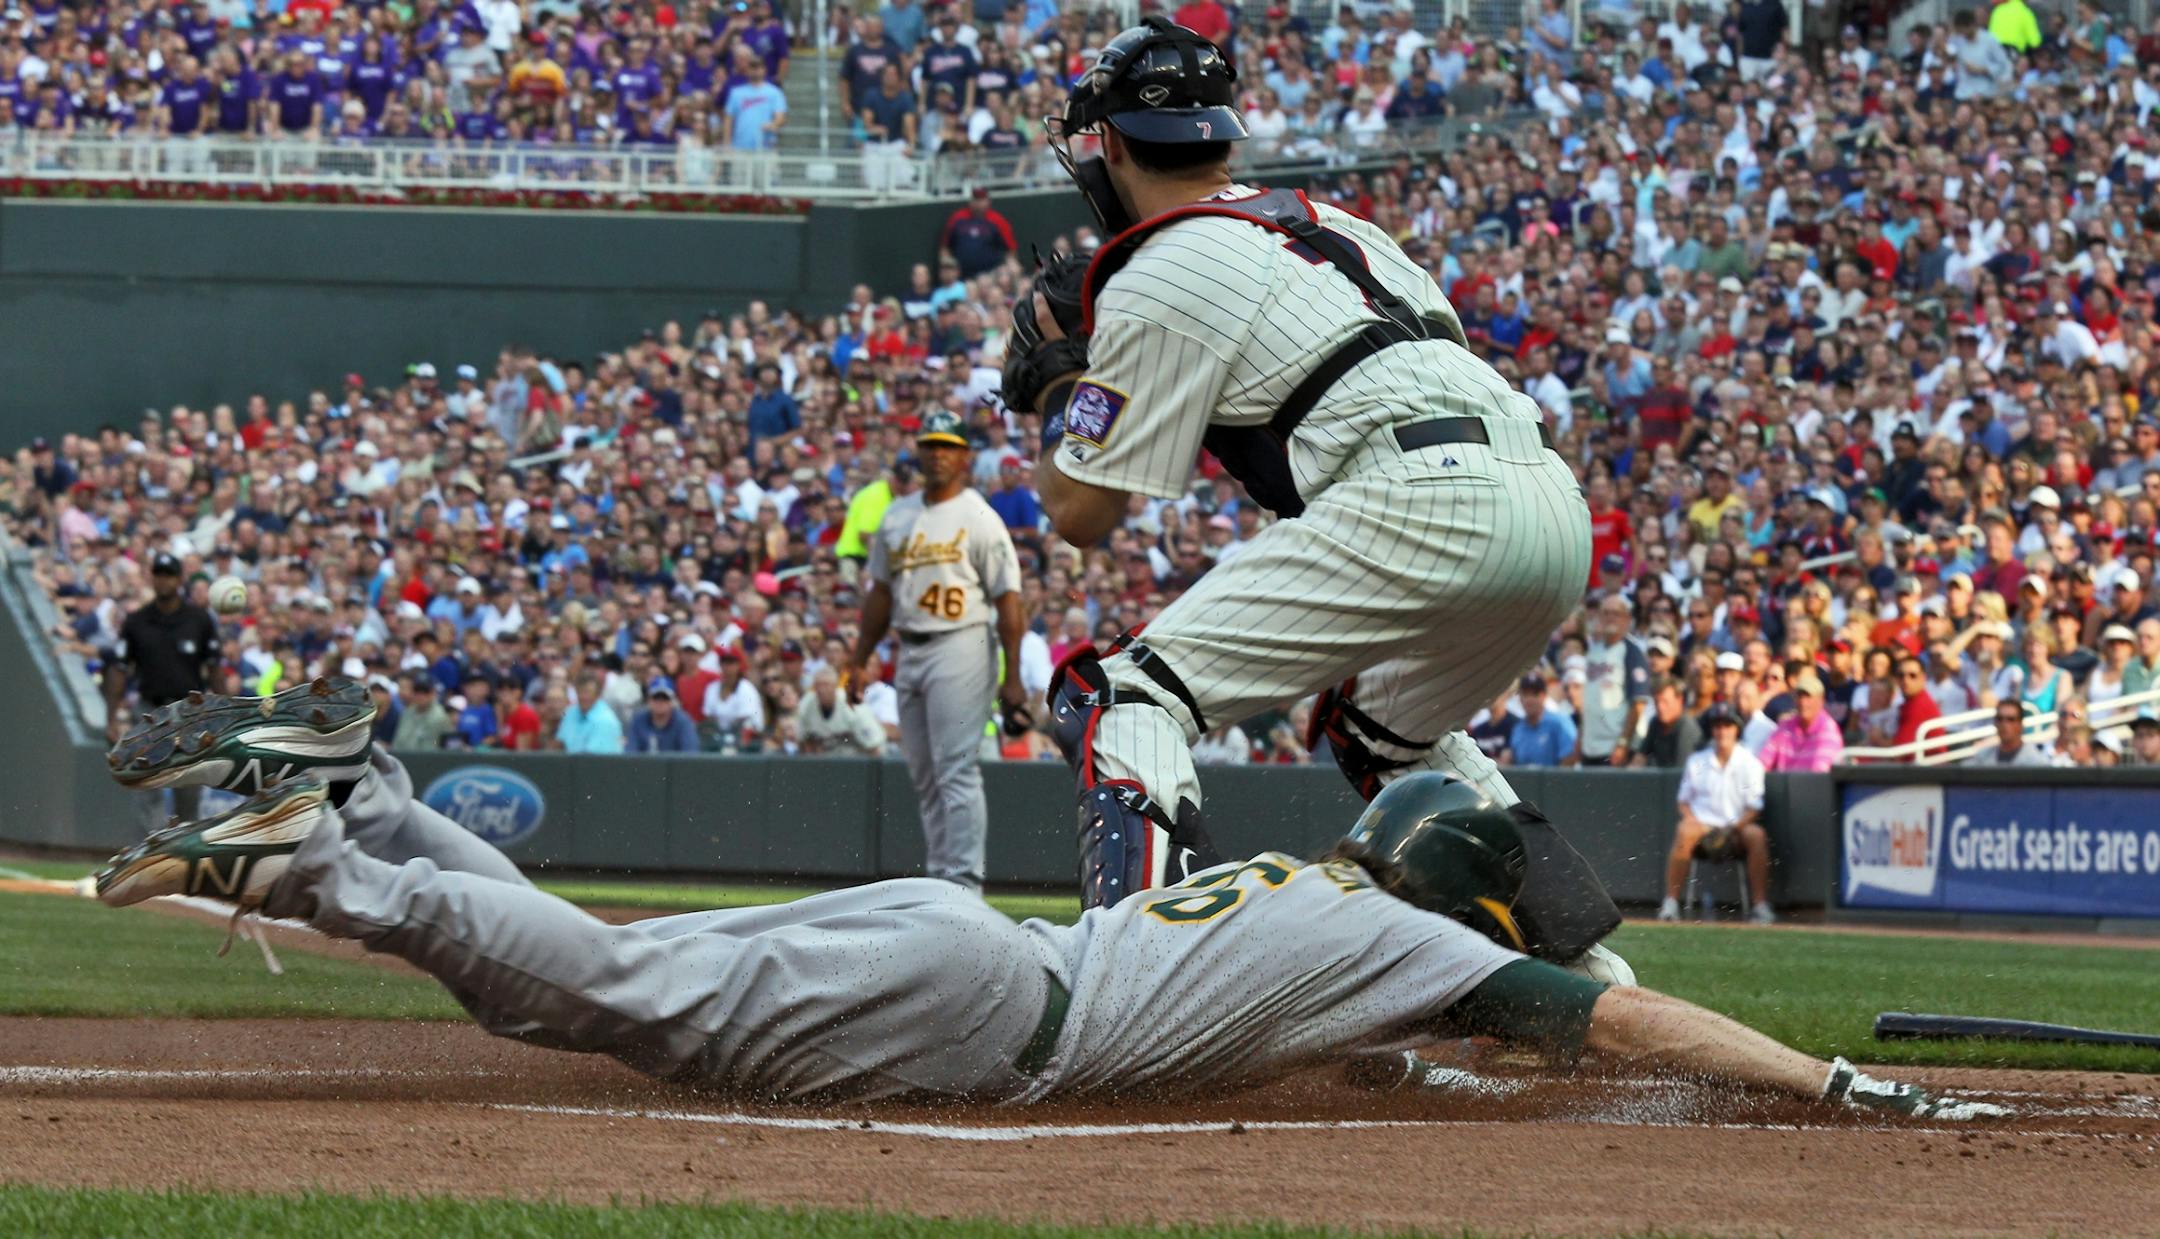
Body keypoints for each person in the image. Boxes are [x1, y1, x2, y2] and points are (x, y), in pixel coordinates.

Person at [91, 690, 2000, 1121]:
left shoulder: (1326, 911)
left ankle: (377, 803)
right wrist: (1826, 1081)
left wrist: (1482, 1078)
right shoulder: (1422, 946)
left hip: (966, 942)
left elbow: (1415, 1076)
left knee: (591, 968)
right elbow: (1632, 1021)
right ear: (1468, 894)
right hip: (973, 1016)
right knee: (593, 990)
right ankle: (305, 851)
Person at [1001, 17, 1627, 984]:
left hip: (1418, 497)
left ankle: (1137, 984)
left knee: (1120, 695)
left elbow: (1083, 514)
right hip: (1547, 498)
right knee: (1384, 732)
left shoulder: (1161, 264)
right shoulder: (1341, 226)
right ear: (1225, 135)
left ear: (1111, 145)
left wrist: (1057, 382)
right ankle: (1590, 983)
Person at [847, 411, 1026, 889]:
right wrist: (859, 658)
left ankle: (964, 883)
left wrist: (1013, 677)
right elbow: (880, 594)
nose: (938, 454)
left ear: (965, 457)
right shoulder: (898, 514)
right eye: (930, 445)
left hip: (962, 642)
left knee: (955, 769)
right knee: (925, 776)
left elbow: (1008, 597)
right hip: (910, 646)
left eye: (948, 446)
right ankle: (942, 879)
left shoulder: (979, 516)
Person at [105, 552, 228, 831]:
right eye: (158, 575)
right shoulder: (136, 621)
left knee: (189, 788)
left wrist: (225, 712)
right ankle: (152, 851)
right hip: (150, 710)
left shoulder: (199, 620)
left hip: (190, 712)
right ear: (152, 578)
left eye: (168, 576)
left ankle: (183, 852)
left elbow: (215, 670)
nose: (163, 582)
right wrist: (111, 717)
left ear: (178, 579)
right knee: (147, 783)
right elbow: (119, 669)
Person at [1659, 704, 1773, 925]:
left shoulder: (1750, 762)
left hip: (1736, 828)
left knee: (1756, 835)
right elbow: (1683, 802)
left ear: (1736, 729)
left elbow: (1754, 808)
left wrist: (1733, 829)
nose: (1722, 731)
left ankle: (1760, 905)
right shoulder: (1697, 761)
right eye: (1718, 726)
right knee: (1684, 830)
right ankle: (1671, 904)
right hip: (1703, 828)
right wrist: (1693, 821)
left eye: (1727, 726)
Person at [1757, 670, 1845, 773]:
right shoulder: (1785, 726)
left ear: (1821, 700)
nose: (1803, 702)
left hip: (1811, 787)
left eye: (1808, 696)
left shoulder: (1828, 730)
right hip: (1782, 786)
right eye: (1799, 696)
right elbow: (1763, 761)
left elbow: (1819, 772)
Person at [794, 666, 887, 756]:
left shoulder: (851, 705)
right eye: (818, 685)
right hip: (826, 764)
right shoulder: (807, 705)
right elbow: (802, 741)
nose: (822, 690)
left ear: (835, 687)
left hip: (858, 762)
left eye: (826, 685)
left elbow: (875, 747)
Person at [1505, 673, 1576, 767]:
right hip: (1524, 780)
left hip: (1554, 780)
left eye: (1535, 694)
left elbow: (1569, 760)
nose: (1529, 699)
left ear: (1543, 696)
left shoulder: (1559, 722)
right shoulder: (1518, 729)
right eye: (1525, 694)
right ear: (1520, 698)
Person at [1632, 676, 1702, 768]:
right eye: (1657, 702)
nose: (1660, 707)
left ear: (1679, 700)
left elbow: (1680, 771)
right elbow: (1640, 758)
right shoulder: (1656, 722)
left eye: (1665, 701)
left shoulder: (1686, 728)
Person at [627, 678, 701, 753]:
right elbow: (630, 753)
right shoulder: (638, 720)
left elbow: (690, 754)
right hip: (643, 764)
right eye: (656, 697)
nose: (660, 702)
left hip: (675, 764)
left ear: (673, 701)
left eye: (665, 698)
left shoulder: (683, 722)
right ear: (648, 700)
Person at [1968, 702, 2052, 767]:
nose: (2004, 724)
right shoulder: (1982, 757)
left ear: (2020, 724)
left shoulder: (2037, 762)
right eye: (2000, 719)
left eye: (2011, 719)